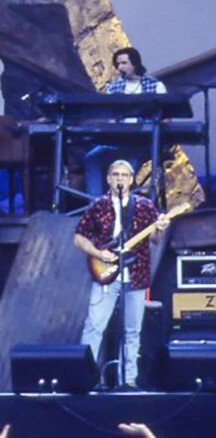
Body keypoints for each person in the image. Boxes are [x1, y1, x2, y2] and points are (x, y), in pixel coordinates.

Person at [75, 160, 169, 388]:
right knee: (95, 326)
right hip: (106, 274)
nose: (120, 179)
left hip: (135, 275)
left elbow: (155, 240)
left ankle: (128, 381)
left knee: (132, 330)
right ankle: (85, 378)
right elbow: (79, 237)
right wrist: (98, 252)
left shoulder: (145, 206)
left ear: (131, 179)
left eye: (124, 175)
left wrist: (161, 228)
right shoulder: (99, 206)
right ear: (108, 179)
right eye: (115, 174)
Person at [84, 48, 168, 197]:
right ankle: (96, 203)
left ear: (135, 63)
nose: (120, 67)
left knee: (128, 164)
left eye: (124, 63)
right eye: (118, 64)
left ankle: (123, 203)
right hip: (119, 142)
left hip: (143, 143)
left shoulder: (156, 86)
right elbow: (110, 118)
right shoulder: (113, 88)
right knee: (92, 158)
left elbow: (166, 118)